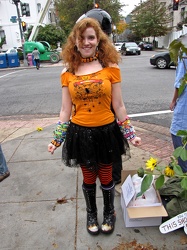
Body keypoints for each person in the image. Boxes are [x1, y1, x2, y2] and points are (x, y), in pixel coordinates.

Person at [48, 17, 141, 235]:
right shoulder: (67, 72)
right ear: (75, 41)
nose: (87, 42)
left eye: (91, 37)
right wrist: (56, 139)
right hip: (80, 134)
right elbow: (64, 110)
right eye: (82, 38)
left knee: (107, 176)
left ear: (99, 39)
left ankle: (109, 212)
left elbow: (118, 105)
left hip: (106, 132)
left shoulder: (111, 68)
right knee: (89, 177)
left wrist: (130, 134)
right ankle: (91, 213)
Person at [78, 8, 123, 185]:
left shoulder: (108, 58)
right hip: (98, 108)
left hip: (107, 107)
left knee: (110, 143)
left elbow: (118, 100)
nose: (87, 42)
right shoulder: (99, 51)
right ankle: (106, 173)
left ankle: (112, 175)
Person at [170, 54, 187, 173]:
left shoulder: (184, 55)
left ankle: (184, 174)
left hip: (184, 105)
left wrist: (174, 100)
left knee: (177, 133)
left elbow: (180, 83)